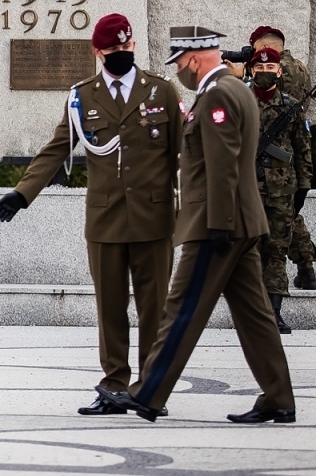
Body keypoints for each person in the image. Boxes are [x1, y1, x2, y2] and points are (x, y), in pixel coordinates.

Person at [100, 26, 295, 424]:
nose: (180, 73)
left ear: (193, 59)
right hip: (241, 221)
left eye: (181, 65)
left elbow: (222, 163)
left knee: (181, 310)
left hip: (216, 223)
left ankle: (147, 393)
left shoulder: (219, 94)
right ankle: (278, 397)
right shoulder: (237, 89)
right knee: (255, 316)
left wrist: (219, 224)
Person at [0, 14, 179, 415]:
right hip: (106, 220)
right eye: (112, 51)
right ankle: (113, 385)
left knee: (154, 307)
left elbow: (185, 156)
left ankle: (149, 387)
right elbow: (58, 148)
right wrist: (23, 193)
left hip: (154, 219)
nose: (120, 56)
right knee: (109, 308)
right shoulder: (83, 97)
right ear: (98, 52)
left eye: (126, 50)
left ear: (134, 47)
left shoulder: (161, 93)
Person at [250, 25, 316, 290]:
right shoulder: (300, 68)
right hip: (280, 154)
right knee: (289, 216)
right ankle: (306, 265)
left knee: (284, 223)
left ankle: (302, 266)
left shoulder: (282, 70)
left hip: (274, 151)